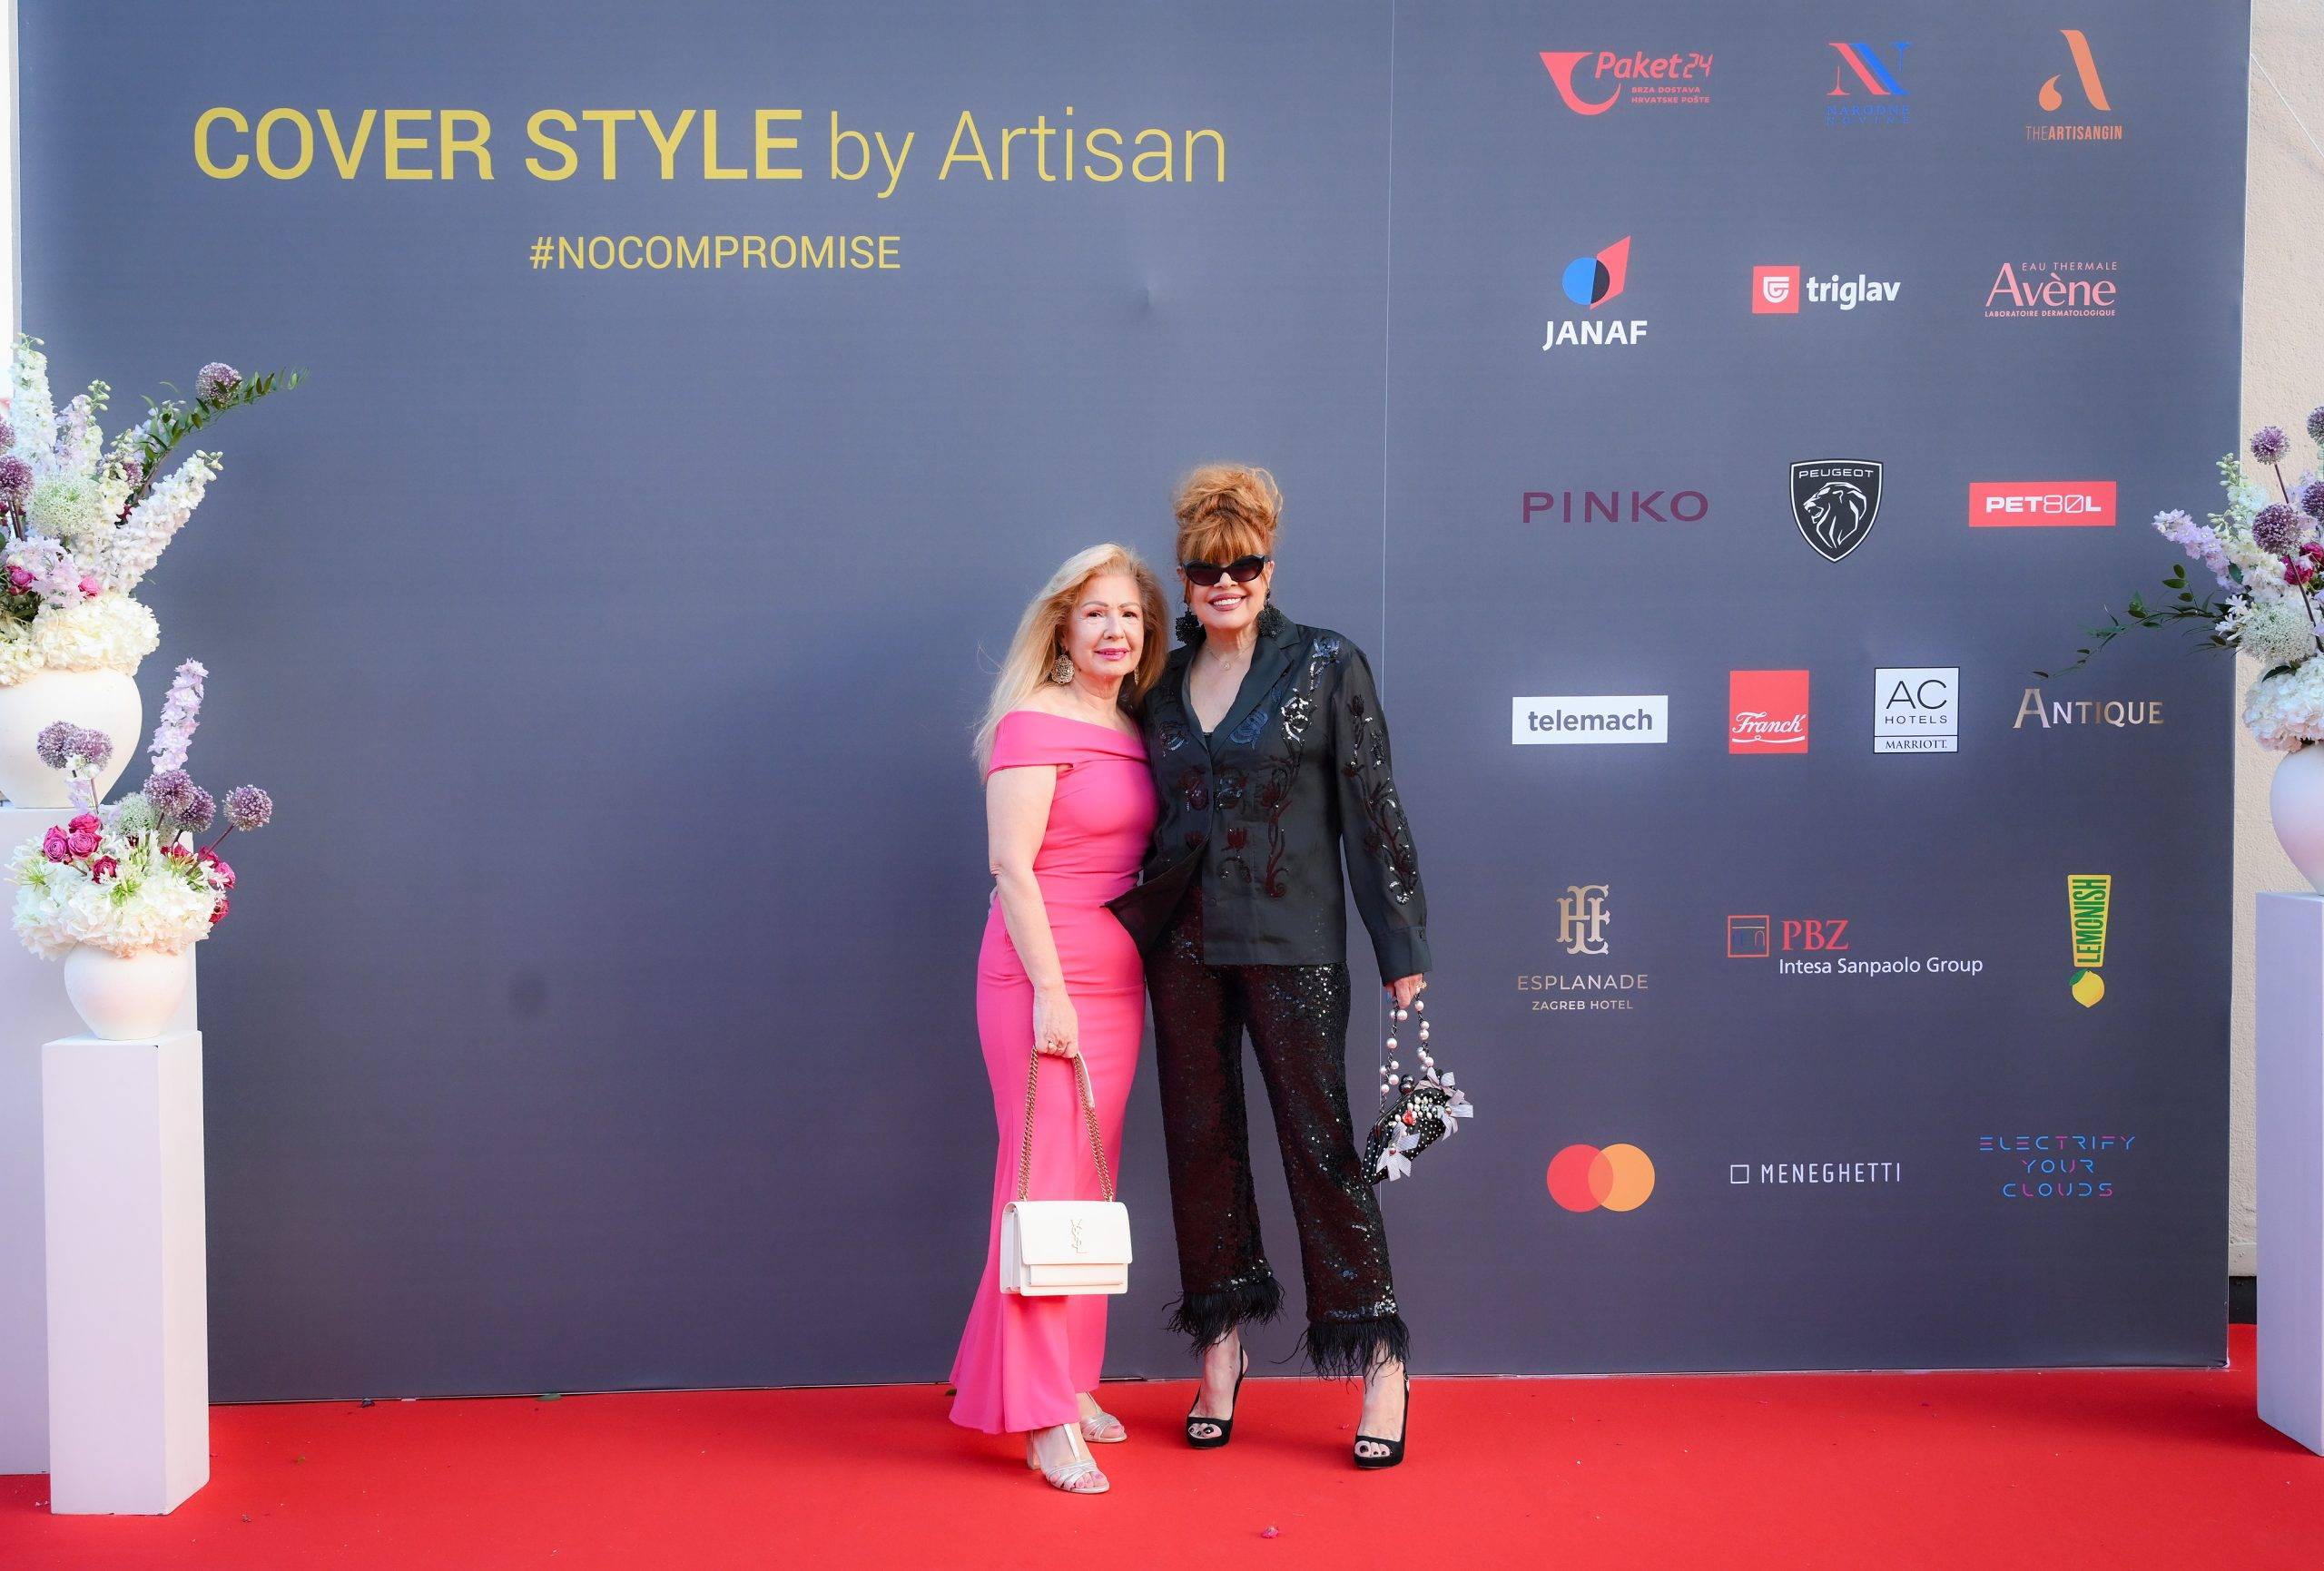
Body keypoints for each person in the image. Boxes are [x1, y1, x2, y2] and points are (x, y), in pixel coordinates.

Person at [1107, 466, 1430, 1470]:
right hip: (1184, 946)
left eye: (1243, 567)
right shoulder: (1157, 684)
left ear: (1269, 569)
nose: (1226, 585)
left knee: (1318, 1144)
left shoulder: (1327, 663)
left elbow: (1373, 809)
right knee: (1199, 1143)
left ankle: (1382, 1364)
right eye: (1206, 571)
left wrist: (1400, 947)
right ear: (1183, 578)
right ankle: (1220, 1350)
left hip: (1295, 943)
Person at [950, 544, 1167, 1496]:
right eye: (1096, 613)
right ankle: (1041, 1418)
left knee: (1084, 1188)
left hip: (1118, 987)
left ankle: (1068, 1380)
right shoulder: (1032, 722)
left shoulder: (1133, 726)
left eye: (1130, 614)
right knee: (1043, 1186)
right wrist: (1050, 991)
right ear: (1062, 628)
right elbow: (1010, 865)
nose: (1116, 630)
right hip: (1043, 980)